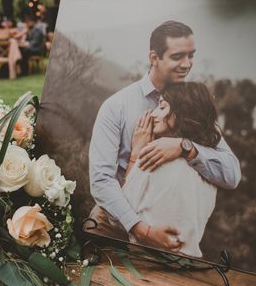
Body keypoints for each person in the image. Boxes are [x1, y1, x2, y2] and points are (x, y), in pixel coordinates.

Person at [88, 20, 241, 253]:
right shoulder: (116, 107)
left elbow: (231, 174)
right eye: (178, 56)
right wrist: (142, 230)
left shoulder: (193, 109)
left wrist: (185, 147)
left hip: (170, 236)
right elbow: (100, 181)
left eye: (191, 56)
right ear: (153, 57)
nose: (187, 64)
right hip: (113, 227)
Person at [122, 82, 220, 257]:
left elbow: (117, 215)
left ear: (179, 114)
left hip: (142, 263)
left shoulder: (154, 158)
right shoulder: (210, 175)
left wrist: (135, 154)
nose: (153, 114)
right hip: (185, 267)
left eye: (161, 107)